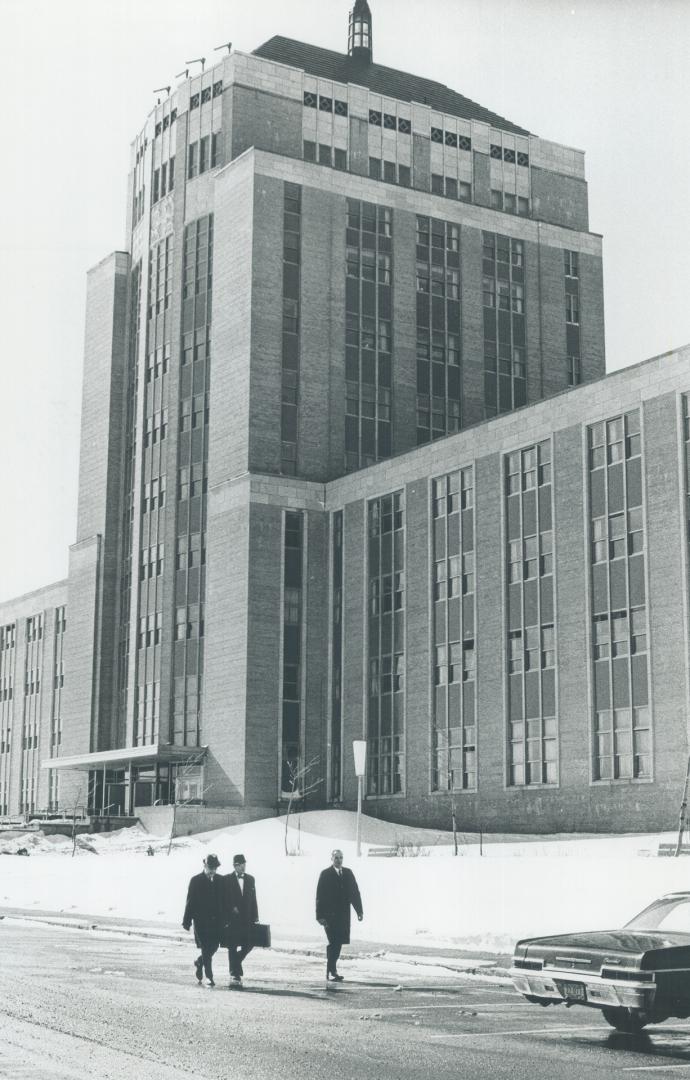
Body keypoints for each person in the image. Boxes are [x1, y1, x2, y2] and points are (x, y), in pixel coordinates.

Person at [315, 848, 363, 982]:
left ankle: (331, 969)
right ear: (332, 859)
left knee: (339, 943)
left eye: (341, 857)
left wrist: (359, 910)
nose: (339, 860)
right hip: (329, 917)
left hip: (343, 916)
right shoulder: (325, 874)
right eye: (336, 858)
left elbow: (354, 893)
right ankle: (331, 971)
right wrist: (319, 916)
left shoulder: (348, 873)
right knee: (333, 942)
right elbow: (319, 896)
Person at [182, 853, 225, 987]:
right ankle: (209, 977)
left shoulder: (220, 880)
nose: (213, 871)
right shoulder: (196, 881)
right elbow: (190, 902)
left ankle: (200, 962)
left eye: (215, 868)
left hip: (216, 922)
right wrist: (187, 921)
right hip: (201, 923)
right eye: (210, 868)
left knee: (214, 946)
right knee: (206, 948)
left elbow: (224, 901)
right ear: (205, 866)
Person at [224, 853, 259, 987]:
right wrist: (231, 908)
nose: (243, 867)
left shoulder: (251, 879)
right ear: (235, 866)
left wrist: (256, 916)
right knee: (232, 946)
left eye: (244, 864)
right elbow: (224, 898)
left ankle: (236, 962)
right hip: (233, 920)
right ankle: (234, 973)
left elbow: (253, 898)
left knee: (250, 943)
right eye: (240, 865)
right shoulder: (227, 879)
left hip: (248, 918)